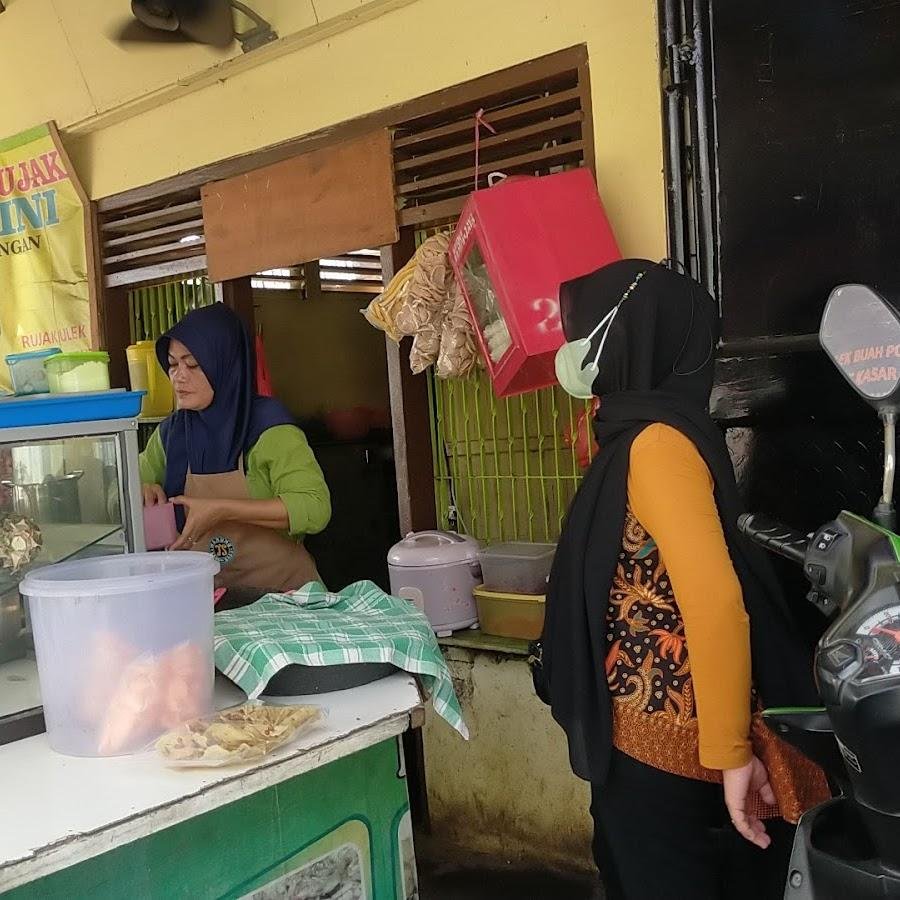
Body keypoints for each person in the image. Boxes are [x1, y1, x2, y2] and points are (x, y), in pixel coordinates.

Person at [540, 259, 830, 899]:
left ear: (635, 339)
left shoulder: (656, 445)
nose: (573, 350)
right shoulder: (640, 434)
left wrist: (729, 755)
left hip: (667, 748)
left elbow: (717, 604)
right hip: (652, 745)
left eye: (587, 332)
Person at [139, 303, 330, 591]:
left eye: (192, 364)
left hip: (286, 600)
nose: (178, 375)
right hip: (209, 605)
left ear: (225, 363)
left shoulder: (271, 428)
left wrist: (222, 509)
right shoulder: (171, 434)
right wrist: (138, 489)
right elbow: (117, 491)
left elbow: (315, 508)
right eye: (172, 363)